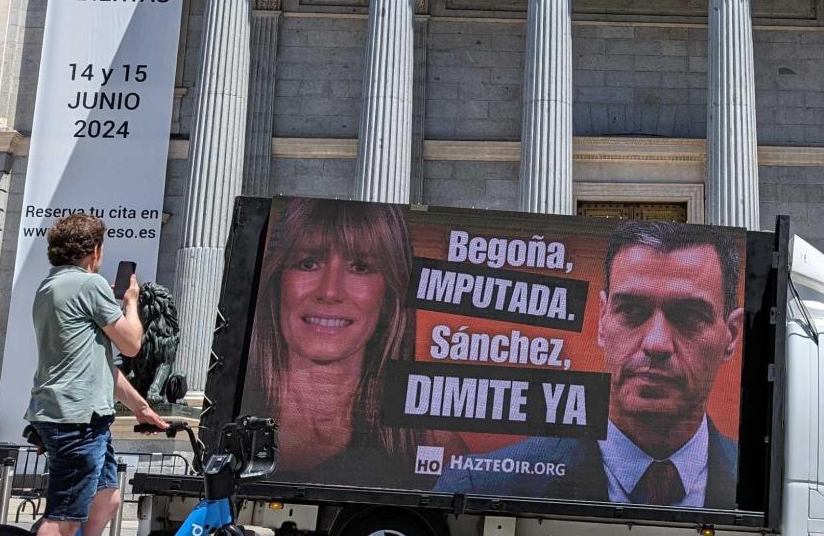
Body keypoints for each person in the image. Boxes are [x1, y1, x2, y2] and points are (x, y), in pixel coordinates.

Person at [438, 219, 745, 508]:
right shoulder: (481, 484)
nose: (656, 343)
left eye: (689, 316)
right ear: (601, 320)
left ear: (730, 335)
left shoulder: (756, 486)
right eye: (631, 310)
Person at [0, 213, 166, 536]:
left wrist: (144, 410)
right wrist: (129, 302)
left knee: (106, 497)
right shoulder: (88, 286)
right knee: (59, 527)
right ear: (94, 252)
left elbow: (101, 366)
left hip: (81, 415)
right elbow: (131, 343)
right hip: (74, 422)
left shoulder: (52, 286)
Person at [243, 199, 415, 481]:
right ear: (278, 280)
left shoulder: (424, 439)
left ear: (388, 296)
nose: (330, 291)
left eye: (360, 267)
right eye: (308, 263)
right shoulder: (239, 418)